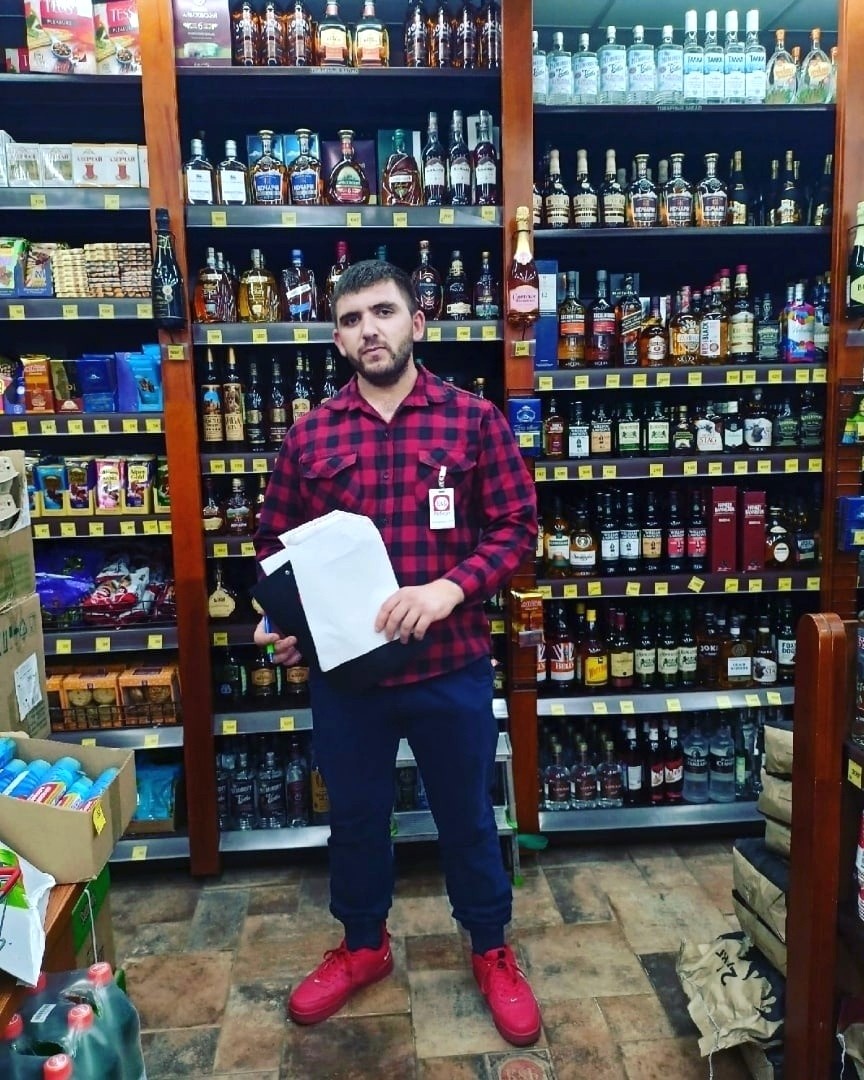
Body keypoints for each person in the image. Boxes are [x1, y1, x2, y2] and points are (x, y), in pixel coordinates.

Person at [253, 259, 541, 1046]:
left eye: (382, 312)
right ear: (338, 339)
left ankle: (490, 947)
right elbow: (273, 546)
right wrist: (282, 621)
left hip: (450, 665)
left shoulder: (473, 420)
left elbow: (516, 526)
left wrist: (449, 589)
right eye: (351, 320)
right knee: (355, 820)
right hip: (349, 680)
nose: (368, 330)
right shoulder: (311, 435)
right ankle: (363, 946)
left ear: (417, 322)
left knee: (468, 817)